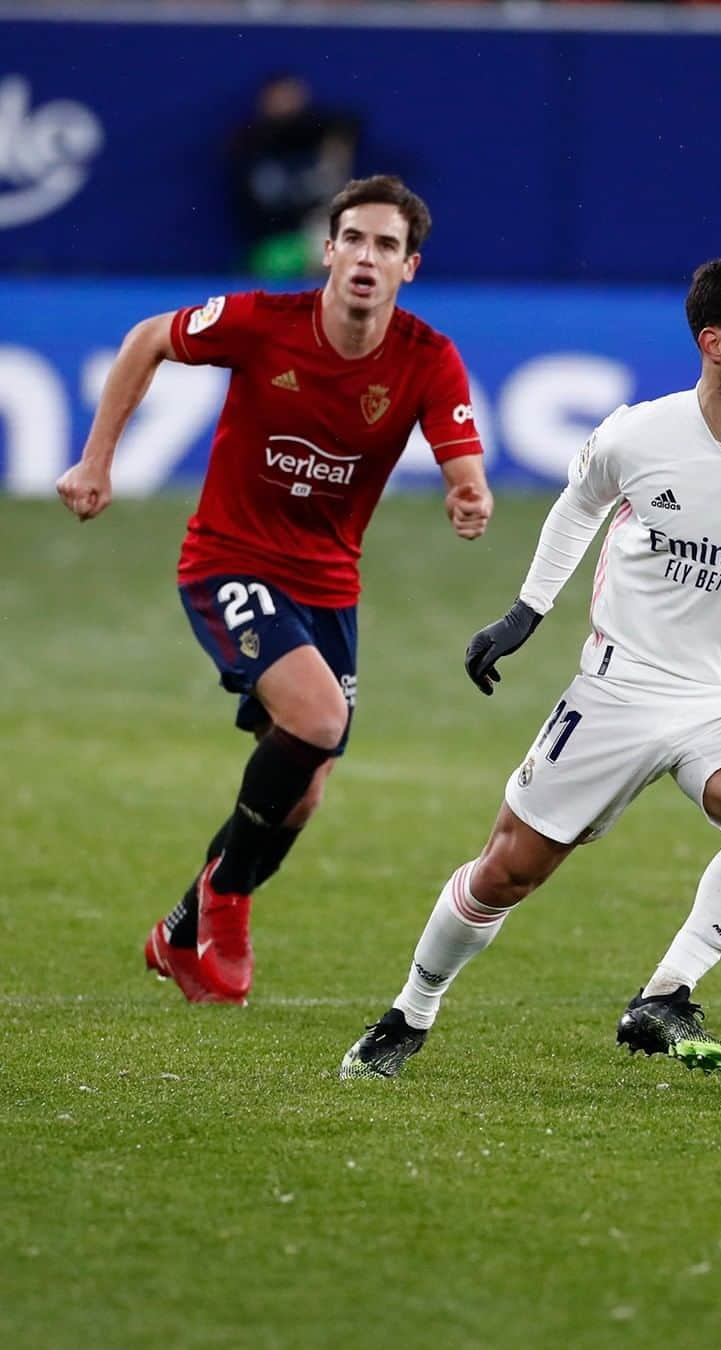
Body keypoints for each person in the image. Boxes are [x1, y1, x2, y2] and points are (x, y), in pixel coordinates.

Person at [340, 254, 721, 1081]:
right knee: (505, 872)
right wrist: (527, 611)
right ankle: (412, 1009)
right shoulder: (636, 435)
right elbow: (578, 503)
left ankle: (668, 991)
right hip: (619, 691)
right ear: (713, 344)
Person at [57, 174, 493, 1006]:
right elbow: (149, 337)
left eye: (387, 247)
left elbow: (461, 456)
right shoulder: (264, 322)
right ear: (328, 252)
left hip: (328, 585)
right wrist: (97, 459)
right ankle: (226, 905)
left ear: (410, 268)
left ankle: (181, 929)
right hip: (228, 559)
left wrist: (466, 493)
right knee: (319, 720)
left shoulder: (426, 356)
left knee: (305, 790)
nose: (367, 257)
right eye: (354, 240)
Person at [228, 73, 360, 277]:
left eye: (292, 97)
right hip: (274, 246)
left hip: (322, 237)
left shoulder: (323, 136)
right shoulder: (253, 146)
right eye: (279, 98)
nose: (287, 105)